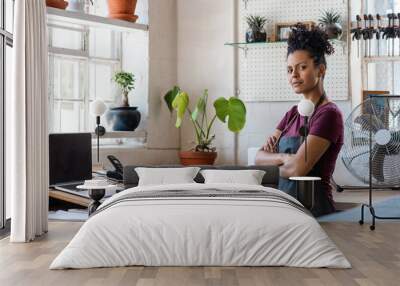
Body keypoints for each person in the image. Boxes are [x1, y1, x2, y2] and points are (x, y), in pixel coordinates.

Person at [255, 24, 344, 217]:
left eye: (302, 67)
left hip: (314, 211)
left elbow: (298, 168)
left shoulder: (328, 114)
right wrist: (284, 158)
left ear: (320, 70)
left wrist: (277, 162)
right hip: (286, 207)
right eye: (289, 69)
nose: (293, 75)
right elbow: (258, 158)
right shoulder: (292, 114)